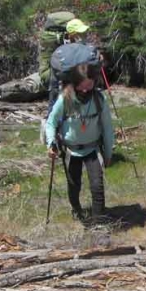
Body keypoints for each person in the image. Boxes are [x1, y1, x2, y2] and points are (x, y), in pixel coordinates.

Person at [44, 61, 114, 222]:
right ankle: (76, 210)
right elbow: (51, 123)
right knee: (74, 185)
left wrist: (108, 152)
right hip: (71, 150)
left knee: (97, 187)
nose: (84, 90)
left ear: (94, 83)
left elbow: (108, 128)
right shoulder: (65, 99)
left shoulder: (99, 100)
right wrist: (50, 143)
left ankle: (99, 222)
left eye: (88, 86)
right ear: (74, 83)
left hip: (92, 150)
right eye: (81, 86)